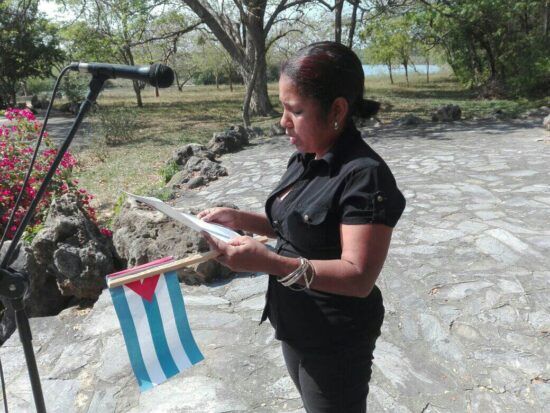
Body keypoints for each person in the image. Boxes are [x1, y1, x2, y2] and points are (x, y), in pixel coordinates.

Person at [198, 41, 406, 413]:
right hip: (296, 320)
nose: (283, 122)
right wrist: (239, 218)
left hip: (335, 337)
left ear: (337, 110)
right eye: (282, 107)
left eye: (295, 110)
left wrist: (271, 263)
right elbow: (294, 226)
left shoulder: (364, 177)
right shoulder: (306, 158)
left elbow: (358, 276)